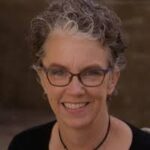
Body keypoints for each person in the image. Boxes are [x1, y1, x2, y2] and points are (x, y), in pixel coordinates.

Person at [8, 0, 150, 149]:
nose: (75, 90)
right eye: (59, 72)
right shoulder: (23, 145)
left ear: (112, 79)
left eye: (91, 73)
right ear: (42, 78)